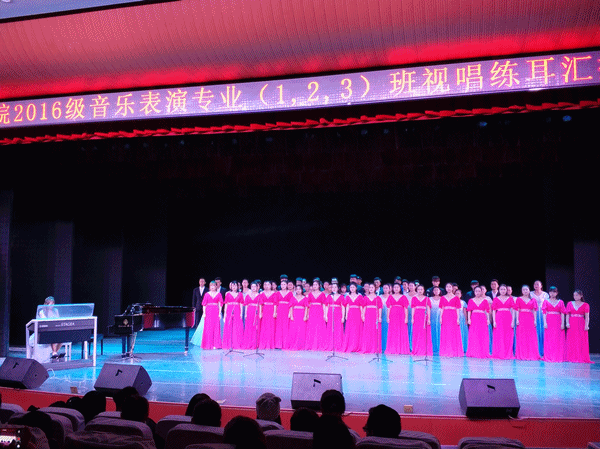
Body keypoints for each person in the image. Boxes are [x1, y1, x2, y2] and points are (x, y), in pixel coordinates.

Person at [565, 289, 592, 363]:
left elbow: (587, 316)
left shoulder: (586, 305)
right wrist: (567, 323)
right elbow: (567, 314)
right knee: (572, 340)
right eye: (574, 295)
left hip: (581, 323)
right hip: (572, 323)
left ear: (581, 296)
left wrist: (586, 325)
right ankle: (571, 356)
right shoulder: (570, 303)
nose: (575, 296)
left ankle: (580, 356)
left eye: (577, 295)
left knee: (580, 340)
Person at [515, 285, 540, 360]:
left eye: (526, 289)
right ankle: (522, 353)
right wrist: (517, 319)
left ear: (529, 290)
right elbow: (517, 310)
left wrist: (535, 320)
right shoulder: (519, 299)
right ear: (522, 291)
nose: (525, 291)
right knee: (522, 336)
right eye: (523, 290)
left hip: (530, 318)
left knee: (530, 336)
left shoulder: (533, 300)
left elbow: (534, 311)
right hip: (522, 318)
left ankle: (531, 354)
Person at [491, 284, 515, 359]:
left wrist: (513, 321)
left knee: (507, 335)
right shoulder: (495, 299)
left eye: (504, 289)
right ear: (499, 290)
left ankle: (507, 353)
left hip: (508, 318)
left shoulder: (510, 299)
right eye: (501, 289)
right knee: (499, 335)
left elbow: (513, 310)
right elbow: (494, 310)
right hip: (499, 318)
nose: (503, 291)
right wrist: (494, 321)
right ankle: (499, 353)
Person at [385, 282, 410, 355]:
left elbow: (405, 308)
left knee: (401, 331)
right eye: (395, 287)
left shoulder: (403, 297)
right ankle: (392, 348)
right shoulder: (390, 297)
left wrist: (406, 318)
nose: (396, 289)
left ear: (400, 288)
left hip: (401, 315)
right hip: (392, 315)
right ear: (393, 288)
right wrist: (387, 317)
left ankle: (401, 349)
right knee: (393, 331)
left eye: (397, 287)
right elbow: (388, 308)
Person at [542, 286, 565, 362]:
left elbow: (562, 313)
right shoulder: (546, 301)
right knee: (549, 339)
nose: (552, 293)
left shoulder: (560, 302)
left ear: (557, 293)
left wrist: (562, 323)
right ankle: (549, 355)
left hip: (558, 321)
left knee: (557, 339)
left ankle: (557, 356)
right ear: (549, 293)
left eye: (554, 292)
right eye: (551, 292)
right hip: (549, 321)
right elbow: (544, 313)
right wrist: (545, 322)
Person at [439, 283, 463, 357]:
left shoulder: (456, 298)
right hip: (445, 315)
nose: (448, 288)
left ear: (452, 288)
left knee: (453, 332)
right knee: (445, 332)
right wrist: (440, 317)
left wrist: (458, 318)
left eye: (450, 287)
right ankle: (445, 350)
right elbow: (442, 308)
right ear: (445, 288)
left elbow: (458, 309)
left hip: (453, 315)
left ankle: (454, 350)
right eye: (447, 287)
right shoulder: (442, 298)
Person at [466, 286, 490, 358]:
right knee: (474, 334)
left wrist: (488, 319)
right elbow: (469, 310)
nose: (478, 292)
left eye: (479, 291)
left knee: (482, 334)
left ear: (481, 292)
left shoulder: (485, 300)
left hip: (482, 318)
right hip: (474, 318)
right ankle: (474, 351)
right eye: (476, 291)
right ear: (474, 292)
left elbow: (487, 311)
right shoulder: (471, 300)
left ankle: (482, 351)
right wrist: (469, 319)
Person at [305, 278, 327, 350]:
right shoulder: (310, 294)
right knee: (312, 327)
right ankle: (311, 344)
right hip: (312, 311)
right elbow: (308, 305)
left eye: (316, 285)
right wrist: (307, 314)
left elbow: (324, 304)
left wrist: (325, 314)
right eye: (314, 285)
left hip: (319, 311)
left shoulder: (322, 294)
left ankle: (319, 344)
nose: (314, 286)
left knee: (319, 327)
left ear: (319, 286)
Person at [201, 281, 223, 350]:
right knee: (208, 327)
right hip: (208, 311)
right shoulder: (207, 294)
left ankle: (216, 344)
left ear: (216, 286)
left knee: (216, 327)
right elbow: (204, 304)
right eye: (211, 285)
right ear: (209, 287)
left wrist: (219, 313)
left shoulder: (219, 294)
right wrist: (204, 313)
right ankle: (208, 344)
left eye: (214, 285)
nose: (212, 287)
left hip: (216, 311)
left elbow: (220, 304)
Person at [411, 285, 432, 356]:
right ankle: (416, 349)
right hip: (417, 316)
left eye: (421, 289)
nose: (420, 291)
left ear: (423, 290)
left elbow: (428, 309)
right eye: (419, 289)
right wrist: (412, 318)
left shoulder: (427, 298)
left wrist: (428, 319)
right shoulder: (414, 298)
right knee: (416, 333)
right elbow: (413, 308)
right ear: (416, 290)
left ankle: (424, 349)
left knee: (424, 333)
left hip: (424, 316)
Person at [325, 280, 345, 352]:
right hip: (330, 313)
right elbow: (326, 306)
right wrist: (325, 315)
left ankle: (338, 345)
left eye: (335, 287)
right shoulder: (329, 296)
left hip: (338, 313)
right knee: (330, 328)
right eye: (332, 287)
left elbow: (343, 307)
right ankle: (330, 345)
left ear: (338, 288)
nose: (334, 289)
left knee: (338, 329)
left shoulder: (341, 296)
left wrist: (343, 317)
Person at [223, 281, 244, 350]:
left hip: (237, 310)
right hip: (229, 310)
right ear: (230, 287)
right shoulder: (228, 294)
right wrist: (225, 314)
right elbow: (226, 304)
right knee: (229, 326)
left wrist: (241, 314)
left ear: (237, 286)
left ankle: (236, 343)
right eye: (232, 286)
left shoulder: (240, 294)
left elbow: (241, 304)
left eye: (235, 285)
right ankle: (229, 343)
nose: (234, 287)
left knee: (237, 327)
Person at [343, 283, 364, 352]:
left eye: (353, 287)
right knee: (350, 329)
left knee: (357, 329)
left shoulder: (359, 296)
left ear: (356, 288)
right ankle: (351, 345)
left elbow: (361, 306)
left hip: (357, 313)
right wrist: (346, 315)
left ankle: (357, 346)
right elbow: (347, 306)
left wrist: (362, 315)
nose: (352, 289)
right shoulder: (347, 296)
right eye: (351, 287)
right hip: (350, 313)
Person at [287, 284, 308, 350]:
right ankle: (293, 344)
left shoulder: (305, 298)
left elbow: (306, 307)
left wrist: (305, 316)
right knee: (294, 330)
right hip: (295, 314)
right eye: (297, 289)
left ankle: (300, 345)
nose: (298, 290)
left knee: (301, 330)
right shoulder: (293, 298)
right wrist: (291, 315)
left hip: (301, 314)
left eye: (299, 289)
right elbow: (291, 307)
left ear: (302, 290)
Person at [530, 280, 548, 357]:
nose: (536, 285)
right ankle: (535, 350)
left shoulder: (545, 294)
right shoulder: (530, 294)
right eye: (535, 284)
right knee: (534, 331)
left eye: (537, 284)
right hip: (533, 314)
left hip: (543, 314)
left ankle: (544, 350)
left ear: (541, 286)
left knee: (543, 331)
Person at [258, 281, 277, 350]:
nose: (267, 286)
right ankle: (263, 343)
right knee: (264, 326)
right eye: (265, 284)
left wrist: (275, 312)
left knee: (271, 326)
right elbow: (260, 304)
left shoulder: (274, 293)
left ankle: (270, 344)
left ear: (271, 285)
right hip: (265, 310)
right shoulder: (262, 293)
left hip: (271, 310)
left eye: (268, 284)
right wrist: (260, 312)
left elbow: (275, 303)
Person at [243, 281, 261, 350]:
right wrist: (245, 314)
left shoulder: (259, 295)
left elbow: (260, 305)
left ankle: (255, 344)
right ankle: (248, 343)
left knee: (255, 327)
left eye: (255, 286)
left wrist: (260, 313)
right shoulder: (248, 295)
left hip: (256, 311)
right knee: (249, 327)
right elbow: (246, 305)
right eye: (252, 286)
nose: (253, 288)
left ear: (257, 287)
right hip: (249, 312)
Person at [275, 280, 293, 349]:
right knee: (279, 326)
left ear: (287, 285)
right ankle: (278, 344)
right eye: (282, 284)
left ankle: (285, 344)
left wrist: (290, 313)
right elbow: (276, 303)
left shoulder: (290, 293)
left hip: (286, 310)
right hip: (279, 310)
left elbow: (291, 304)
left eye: (284, 284)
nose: (283, 286)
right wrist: (275, 312)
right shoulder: (278, 293)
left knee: (286, 326)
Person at [429, 286, 442, 355]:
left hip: (440, 317)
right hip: (432, 317)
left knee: (440, 331)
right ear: (433, 291)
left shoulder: (442, 298)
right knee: (432, 331)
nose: (436, 291)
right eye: (435, 290)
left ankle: (440, 347)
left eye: (437, 290)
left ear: (440, 291)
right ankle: (432, 347)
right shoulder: (429, 299)